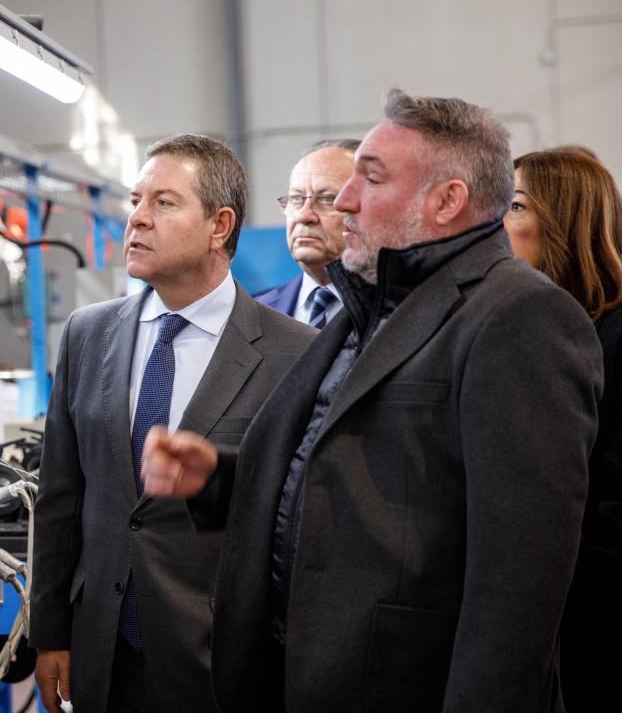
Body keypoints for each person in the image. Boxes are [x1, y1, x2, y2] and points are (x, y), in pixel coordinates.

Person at [140, 91, 603, 712]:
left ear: (446, 202)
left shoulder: (520, 317)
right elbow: (353, 478)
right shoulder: (369, 310)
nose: (346, 199)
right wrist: (220, 478)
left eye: (371, 178)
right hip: (304, 676)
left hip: (399, 685)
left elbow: (518, 588)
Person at [30, 134, 315, 713]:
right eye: (136, 201)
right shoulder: (88, 334)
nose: (136, 220)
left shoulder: (296, 354)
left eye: (163, 203)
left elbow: (302, 521)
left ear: (219, 225)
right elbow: (61, 496)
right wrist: (52, 631)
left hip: (222, 661)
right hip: (102, 650)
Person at [505, 146, 622, 713]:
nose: (498, 221)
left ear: (562, 218)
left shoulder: (614, 332)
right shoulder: (523, 326)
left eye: (516, 204)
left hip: (590, 617)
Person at [255, 139, 358, 328]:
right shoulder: (253, 316)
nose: (304, 215)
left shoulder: (400, 313)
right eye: (296, 199)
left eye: (327, 199)